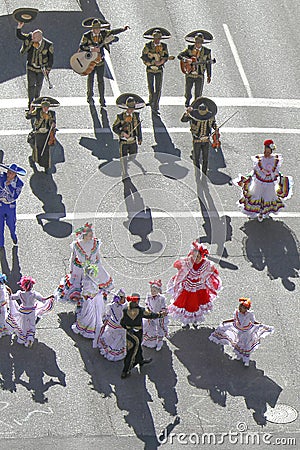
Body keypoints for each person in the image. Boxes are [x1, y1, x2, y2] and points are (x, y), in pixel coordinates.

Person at [55, 223, 113, 315]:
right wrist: (71, 269)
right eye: (90, 235)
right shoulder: (77, 245)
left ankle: (92, 306)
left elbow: (98, 256)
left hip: (94, 268)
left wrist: (98, 267)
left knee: (94, 286)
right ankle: (81, 305)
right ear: (84, 235)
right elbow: (73, 257)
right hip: (80, 270)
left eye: (92, 235)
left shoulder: (95, 243)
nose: (92, 237)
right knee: (80, 287)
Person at [234, 139, 293, 222]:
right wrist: (256, 173)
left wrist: (273, 173)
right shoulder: (259, 159)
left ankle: (263, 212)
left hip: (269, 183)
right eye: (265, 152)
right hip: (259, 181)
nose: (267, 154)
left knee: (268, 197)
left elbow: (276, 171)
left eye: (269, 152)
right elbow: (255, 169)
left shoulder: (275, 160)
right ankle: (258, 211)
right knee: (256, 195)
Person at [167, 241, 222, 329]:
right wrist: (177, 283)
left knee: (197, 305)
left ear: (202, 256)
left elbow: (212, 273)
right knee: (185, 305)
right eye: (194, 256)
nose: (196, 258)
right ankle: (185, 321)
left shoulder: (206, 264)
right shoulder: (187, 262)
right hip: (187, 288)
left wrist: (210, 282)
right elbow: (180, 272)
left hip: (200, 289)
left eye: (198, 256)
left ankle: (195, 320)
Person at [209, 298, 274, 366]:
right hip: (239, 330)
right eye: (243, 307)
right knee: (239, 343)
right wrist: (226, 321)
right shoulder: (237, 313)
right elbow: (234, 320)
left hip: (247, 332)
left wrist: (260, 325)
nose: (244, 309)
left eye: (246, 308)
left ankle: (246, 360)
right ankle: (239, 356)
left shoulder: (250, 314)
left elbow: (253, 321)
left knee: (246, 345)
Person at [79, 18, 129, 106]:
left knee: (100, 80)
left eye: (99, 28)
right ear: (92, 29)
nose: (97, 30)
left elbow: (112, 32)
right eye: (96, 28)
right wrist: (91, 49)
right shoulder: (86, 36)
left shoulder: (103, 33)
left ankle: (102, 99)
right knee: (90, 79)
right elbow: (82, 46)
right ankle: (89, 96)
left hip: (100, 60)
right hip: (90, 61)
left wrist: (122, 29)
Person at [120, 293, 168, 379]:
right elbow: (151, 315)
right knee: (130, 353)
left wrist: (129, 328)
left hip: (129, 334)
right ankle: (125, 371)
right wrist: (161, 314)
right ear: (137, 301)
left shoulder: (125, 310)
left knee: (136, 348)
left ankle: (140, 360)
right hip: (137, 333)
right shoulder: (141, 310)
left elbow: (122, 323)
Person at [6, 276, 54, 347]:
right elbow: (43, 299)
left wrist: (9, 290)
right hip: (31, 312)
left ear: (23, 285)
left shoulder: (20, 294)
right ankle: (30, 339)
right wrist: (50, 297)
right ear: (31, 286)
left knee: (23, 326)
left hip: (23, 312)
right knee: (31, 325)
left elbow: (12, 297)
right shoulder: (34, 294)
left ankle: (22, 339)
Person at [16, 22, 54, 109]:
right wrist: (19, 27)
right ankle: (30, 102)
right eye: (32, 36)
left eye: (34, 37)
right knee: (31, 85)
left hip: (41, 68)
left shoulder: (48, 45)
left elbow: (51, 58)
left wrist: (48, 69)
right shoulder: (30, 38)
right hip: (31, 67)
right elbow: (20, 36)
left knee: (39, 85)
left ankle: (37, 99)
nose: (32, 38)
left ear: (40, 37)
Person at [181, 97, 218, 174]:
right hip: (197, 139)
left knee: (205, 158)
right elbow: (183, 120)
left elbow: (213, 123)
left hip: (206, 139)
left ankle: (204, 172)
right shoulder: (194, 116)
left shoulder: (210, 116)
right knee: (196, 158)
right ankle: (197, 172)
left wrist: (215, 127)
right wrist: (187, 113)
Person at [71, 263, 106, 345]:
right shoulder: (90, 280)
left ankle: (90, 328)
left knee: (92, 314)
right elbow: (87, 291)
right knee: (92, 314)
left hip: (93, 299)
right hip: (93, 299)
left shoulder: (90, 280)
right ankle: (90, 329)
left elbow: (88, 291)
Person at [112, 93, 144, 178]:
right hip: (124, 142)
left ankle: (128, 164)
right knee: (123, 158)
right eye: (129, 109)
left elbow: (138, 128)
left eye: (132, 109)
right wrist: (122, 133)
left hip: (133, 140)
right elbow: (115, 127)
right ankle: (124, 172)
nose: (131, 111)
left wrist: (139, 138)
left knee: (133, 155)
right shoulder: (120, 117)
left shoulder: (136, 116)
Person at [178, 31, 213, 107]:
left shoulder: (207, 51)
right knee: (188, 90)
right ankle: (187, 99)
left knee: (198, 93)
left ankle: (196, 105)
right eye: (196, 42)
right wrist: (186, 60)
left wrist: (209, 75)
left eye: (199, 42)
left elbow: (208, 64)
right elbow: (180, 56)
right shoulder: (190, 49)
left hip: (199, 74)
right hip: (190, 73)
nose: (197, 44)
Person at [141, 27, 171, 114]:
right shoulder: (148, 46)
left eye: (159, 38)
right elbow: (144, 56)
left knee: (158, 87)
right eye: (156, 38)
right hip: (150, 69)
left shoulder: (164, 46)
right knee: (151, 86)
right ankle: (151, 100)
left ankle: (156, 104)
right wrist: (152, 62)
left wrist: (162, 61)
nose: (157, 40)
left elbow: (166, 56)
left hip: (159, 70)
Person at [26, 97, 58, 173]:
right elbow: (28, 116)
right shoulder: (37, 112)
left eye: (47, 107)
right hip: (38, 133)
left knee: (46, 151)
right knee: (37, 148)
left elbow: (54, 122)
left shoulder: (52, 113)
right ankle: (34, 159)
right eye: (44, 107)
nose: (46, 109)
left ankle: (46, 166)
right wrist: (30, 110)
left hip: (47, 134)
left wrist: (53, 124)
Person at [0, 163, 26, 248]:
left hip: (10, 206)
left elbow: (15, 196)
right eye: (8, 172)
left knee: (11, 224)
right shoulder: (1, 178)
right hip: (1, 205)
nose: (8, 174)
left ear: (15, 174)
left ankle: (13, 235)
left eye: (11, 173)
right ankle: (1, 245)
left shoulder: (19, 184)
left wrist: (8, 186)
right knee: (0, 226)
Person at [97, 289, 127, 361]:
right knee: (117, 340)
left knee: (113, 339)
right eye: (123, 298)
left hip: (113, 324)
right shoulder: (124, 307)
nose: (124, 300)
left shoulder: (112, 306)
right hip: (118, 326)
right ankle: (111, 352)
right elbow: (109, 314)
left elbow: (108, 315)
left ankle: (108, 350)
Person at [142, 280, 168, 351]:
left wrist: (162, 312)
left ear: (158, 291)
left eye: (154, 291)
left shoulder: (161, 298)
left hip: (158, 316)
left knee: (159, 329)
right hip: (151, 315)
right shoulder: (149, 296)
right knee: (149, 327)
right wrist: (148, 310)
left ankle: (160, 342)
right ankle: (149, 341)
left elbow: (163, 307)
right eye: (151, 290)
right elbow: (147, 304)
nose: (152, 292)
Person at [0, 273, 11, 337]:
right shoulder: (4, 286)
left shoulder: (2, 288)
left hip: (2, 305)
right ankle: (4, 329)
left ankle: (1, 331)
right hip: (4, 305)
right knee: (3, 318)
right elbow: (9, 290)